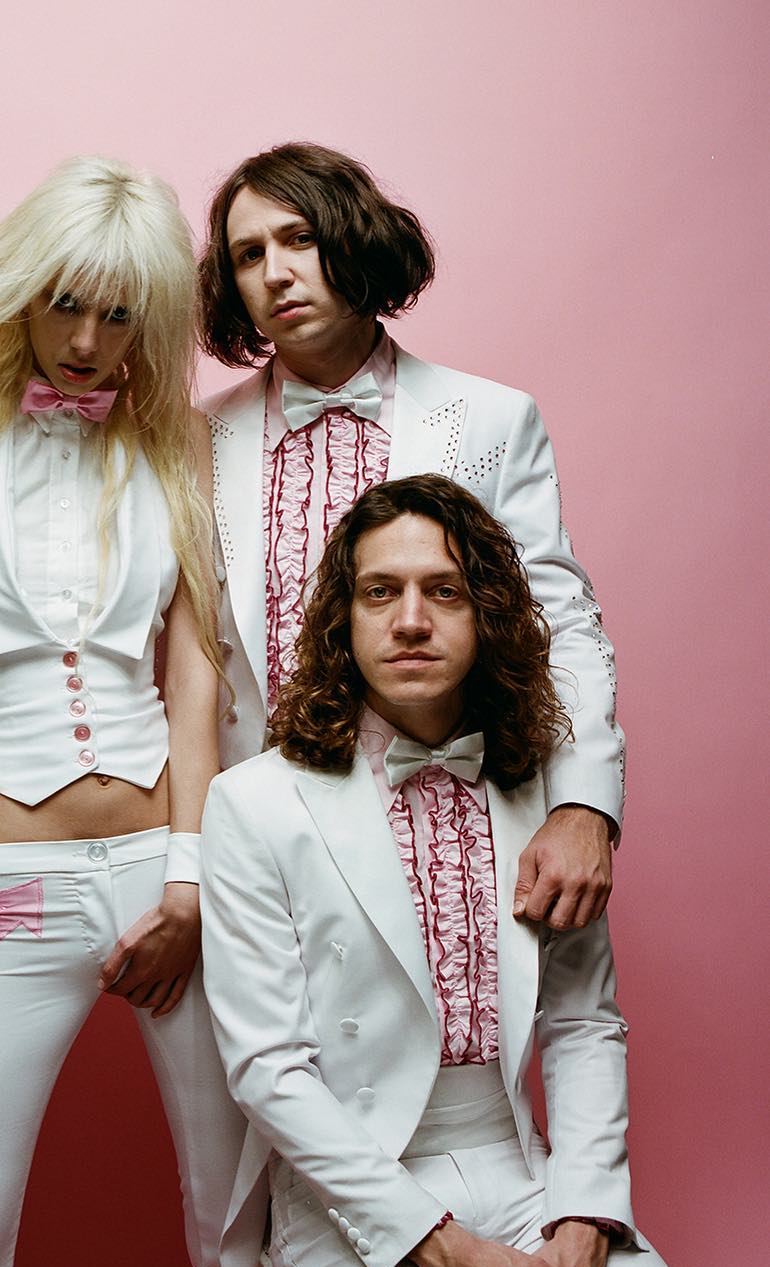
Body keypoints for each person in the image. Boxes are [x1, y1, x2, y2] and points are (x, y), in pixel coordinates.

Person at [200, 474, 732, 1267]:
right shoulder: (253, 802)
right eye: (381, 592)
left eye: (443, 592)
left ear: (487, 614)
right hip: (352, 1196)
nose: (411, 620)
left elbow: (583, 1024)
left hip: (528, 1173)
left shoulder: (545, 795)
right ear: (343, 620)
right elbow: (268, 1071)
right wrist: (453, 1258)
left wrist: (584, 1219)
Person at [0, 157, 253, 1267]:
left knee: (233, 1230)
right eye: (64, 305)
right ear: (20, 293)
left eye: (120, 314)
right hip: (6, 880)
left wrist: (191, 884)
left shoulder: (178, 442)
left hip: (165, 870)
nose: (89, 343)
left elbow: (192, 679)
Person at [199, 142, 620, 932]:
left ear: (355, 240)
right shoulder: (198, 439)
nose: (276, 273)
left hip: (452, 812)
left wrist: (584, 804)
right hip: (265, 835)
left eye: (299, 239)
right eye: (248, 254)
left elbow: (560, 620)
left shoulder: (491, 420)